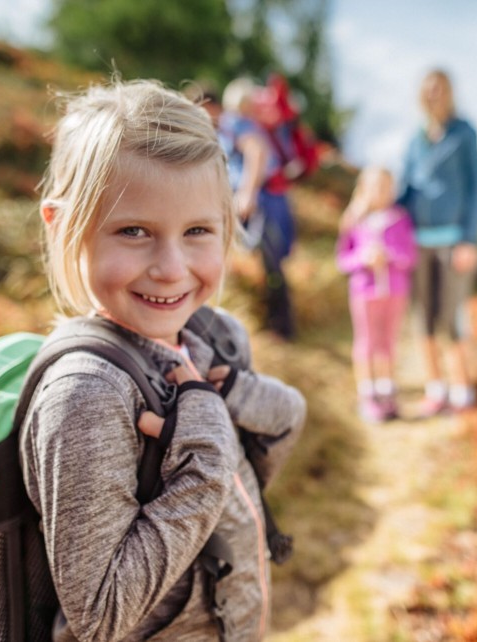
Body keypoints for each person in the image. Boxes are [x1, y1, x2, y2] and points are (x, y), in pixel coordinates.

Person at [24, 78, 307, 641]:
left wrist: (241, 401)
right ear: (62, 227)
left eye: (198, 230)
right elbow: (99, 615)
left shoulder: (212, 336)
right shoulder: (87, 395)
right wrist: (205, 457)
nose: (172, 269)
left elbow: (255, 465)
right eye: (133, 231)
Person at [397, 68, 477, 416]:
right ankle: (436, 388)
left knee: (452, 318)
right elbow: (406, 189)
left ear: (449, 92)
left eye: (440, 88)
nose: (433, 94)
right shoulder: (415, 139)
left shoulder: (464, 133)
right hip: (417, 242)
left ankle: (463, 388)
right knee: (423, 318)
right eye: (428, 89)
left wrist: (470, 239)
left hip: (453, 242)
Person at [218, 77, 297, 340]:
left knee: (268, 259)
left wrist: (247, 193)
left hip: (261, 200)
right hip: (272, 198)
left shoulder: (237, 123)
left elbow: (256, 154)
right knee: (271, 261)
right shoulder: (254, 125)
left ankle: (280, 326)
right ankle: (279, 323)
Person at [336, 166, 417, 422]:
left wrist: (389, 256)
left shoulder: (400, 219)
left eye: (386, 187)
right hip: (364, 291)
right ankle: (368, 395)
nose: (381, 192)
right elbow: (343, 260)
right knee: (366, 341)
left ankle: (387, 391)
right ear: (363, 189)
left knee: (388, 341)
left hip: (395, 291)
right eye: (375, 187)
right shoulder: (353, 220)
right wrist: (364, 258)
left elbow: (410, 256)